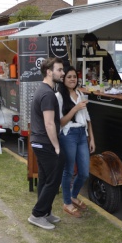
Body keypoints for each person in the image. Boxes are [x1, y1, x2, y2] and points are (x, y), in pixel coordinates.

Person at [27, 57, 66, 231]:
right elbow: (49, 123)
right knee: (53, 179)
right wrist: (57, 146)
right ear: (49, 72)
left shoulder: (43, 90)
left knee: (45, 178)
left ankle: (45, 212)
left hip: (39, 142)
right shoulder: (48, 94)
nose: (62, 73)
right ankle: (37, 214)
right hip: (45, 143)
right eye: (59, 70)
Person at [56, 66, 95, 218]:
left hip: (82, 134)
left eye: (74, 76)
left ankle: (73, 196)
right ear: (63, 79)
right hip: (69, 134)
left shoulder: (80, 94)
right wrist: (75, 108)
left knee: (84, 172)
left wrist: (92, 138)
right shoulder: (59, 96)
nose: (72, 79)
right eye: (69, 77)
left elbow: (88, 118)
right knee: (69, 171)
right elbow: (60, 122)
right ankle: (67, 203)